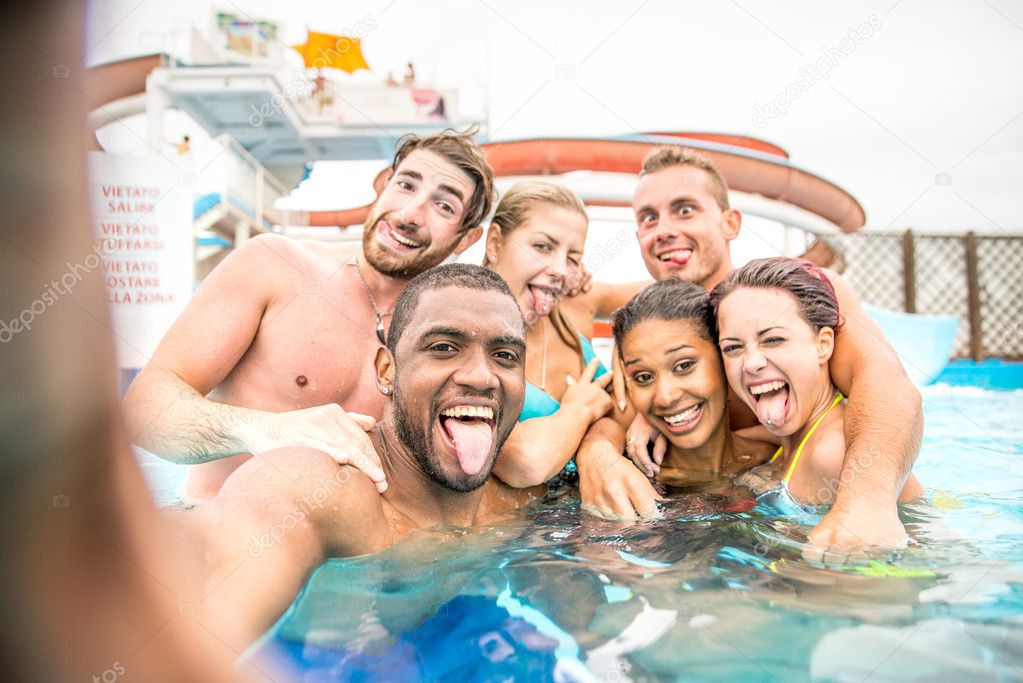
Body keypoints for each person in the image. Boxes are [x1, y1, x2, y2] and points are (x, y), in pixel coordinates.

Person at [175, 264, 541, 649]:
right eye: (444, 348)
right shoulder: (329, 487)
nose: (482, 377)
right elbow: (240, 537)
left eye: (504, 355)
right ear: (386, 371)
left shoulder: (521, 499)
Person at [581, 145, 923, 553]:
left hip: (822, 500)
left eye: (685, 209)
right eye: (649, 218)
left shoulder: (793, 295)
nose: (665, 229)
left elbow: (885, 381)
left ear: (730, 223)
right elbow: (607, 411)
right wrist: (597, 455)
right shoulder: (651, 326)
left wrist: (865, 502)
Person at [123, 128, 496, 502]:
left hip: (359, 555)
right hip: (216, 535)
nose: (410, 213)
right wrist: (263, 430)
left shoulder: (443, 336)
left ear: (465, 239)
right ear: (383, 186)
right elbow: (142, 413)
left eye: (443, 206)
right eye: (406, 185)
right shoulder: (273, 265)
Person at [710, 257, 924, 513]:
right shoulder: (789, 440)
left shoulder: (833, 453)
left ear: (823, 345)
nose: (751, 363)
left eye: (774, 339)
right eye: (733, 347)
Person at [479, 181, 649, 487]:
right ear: (494, 243)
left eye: (572, 258)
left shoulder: (573, 307)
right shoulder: (464, 342)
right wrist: (580, 409)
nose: (559, 269)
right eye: (543, 247)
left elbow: (674, 292)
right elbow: (526, 462)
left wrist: (629, 347)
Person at [577, 280, 776, 517]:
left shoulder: (775, 456)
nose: (665, 397)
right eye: (643, 377)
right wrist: (595, 450)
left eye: (684, 365)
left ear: (725, 359)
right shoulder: (620, 483)